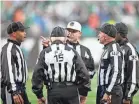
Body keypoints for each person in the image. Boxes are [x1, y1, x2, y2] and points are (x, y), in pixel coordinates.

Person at [32, 26, 90, 104]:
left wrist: (39, 95)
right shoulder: (72, 51)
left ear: (51, 38)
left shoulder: (45, 52)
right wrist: (84, 93)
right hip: (71, 90)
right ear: (65, 38)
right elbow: (84, 73)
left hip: (53, 90)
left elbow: (37, 74)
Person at [66, 21, 95, 104]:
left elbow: (91, 70)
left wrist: (83, 85)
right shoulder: (61, 48)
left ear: (80, 33)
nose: (70, 33)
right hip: (63, 89)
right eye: (68, 30)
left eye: (74, 31)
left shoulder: (85, 51)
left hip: (80, 89)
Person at [1, 21, 30, 104]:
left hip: (19, 88)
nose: (25, 33)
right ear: (14, 33)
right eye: (22, 31)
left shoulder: (16, 47)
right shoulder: (9, 49)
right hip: (12, 90)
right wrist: (14, 92)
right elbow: (8, 71)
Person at [96, 23, 123, 104]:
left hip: (110, 90)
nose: (98, 35)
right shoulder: (108, 48)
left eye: (100, 33)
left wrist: (108, 92)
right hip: (104, 88)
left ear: (105, 35)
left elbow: (116, 72)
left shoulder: (114, 49)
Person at [115, 22, 139, 104]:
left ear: (119, 33)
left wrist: (128, 96)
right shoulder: (117, 47)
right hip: (116, 92)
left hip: (124, 94)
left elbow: (133, 74)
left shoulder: (130, 49)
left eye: (114, 33)